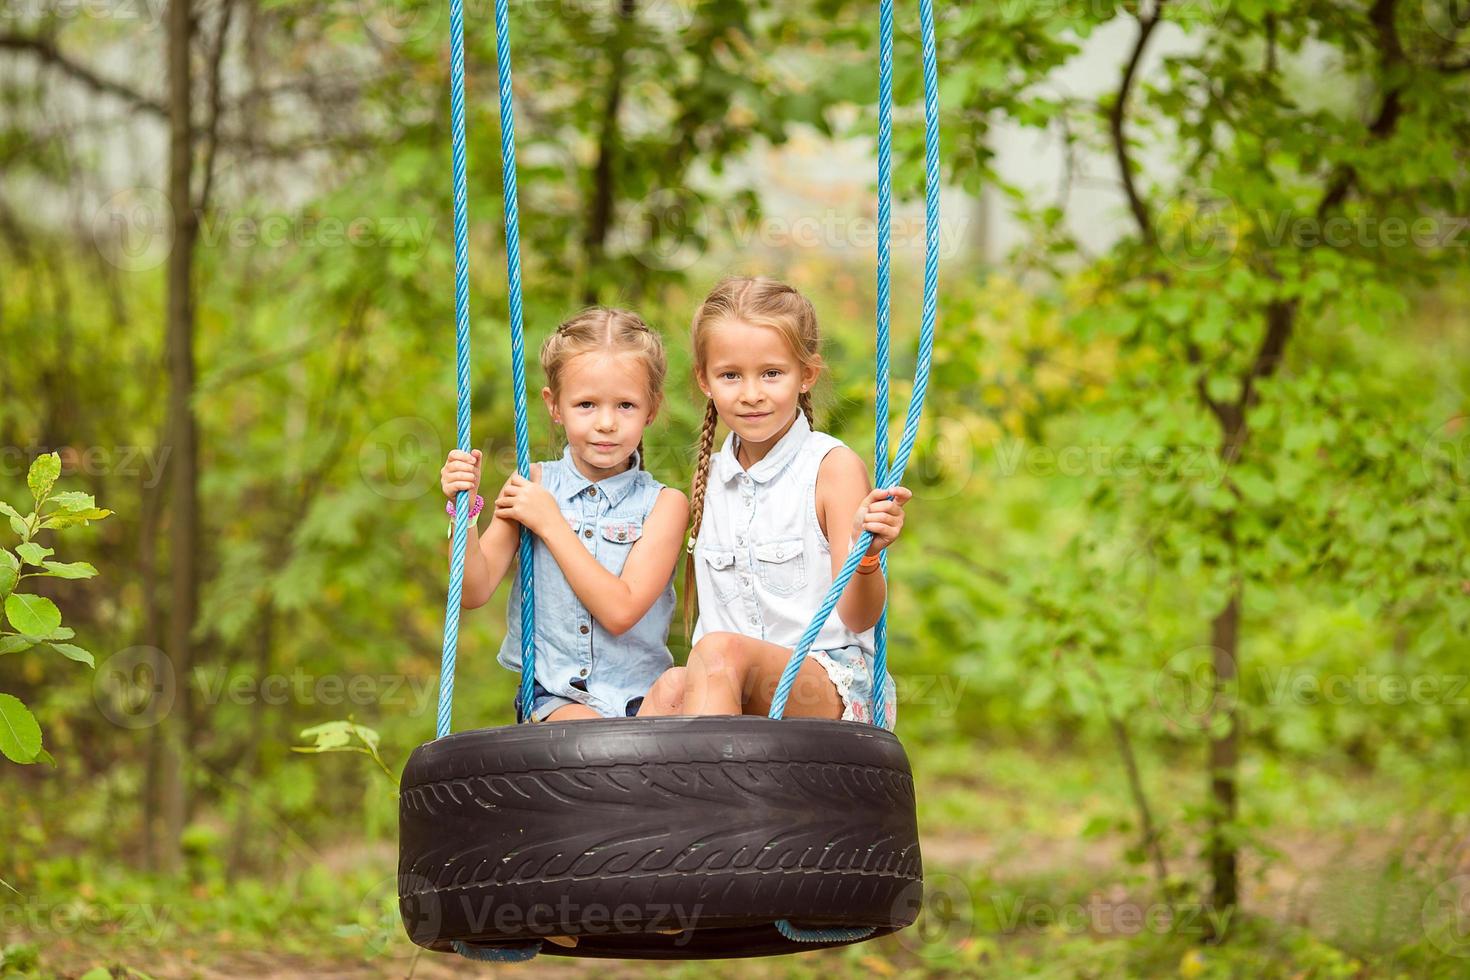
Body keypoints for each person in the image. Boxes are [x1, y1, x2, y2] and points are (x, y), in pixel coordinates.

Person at [643, 276, 910, 727]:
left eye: (771, 373)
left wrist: (865, 560)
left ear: (806, 375)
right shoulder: (710, 476)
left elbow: (860, 617)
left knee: (717, 651)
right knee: (671, 684)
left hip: (829, 683)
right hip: (729, 681)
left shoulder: (831, 468)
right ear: (704, 380)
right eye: (730, 375)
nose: (751, 394)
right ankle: (638, 798)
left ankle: (713, 796)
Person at [440, 307, 687, 722]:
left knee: (682, 685)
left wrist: (551, 524)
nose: (606, 423)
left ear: (652, 409)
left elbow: (620, 612)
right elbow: (472, 591)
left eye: (626, 405)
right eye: (586, 404)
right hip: (557, 698)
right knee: (593, 740)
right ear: (555, 406)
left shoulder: (665, 505)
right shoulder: (531, 483)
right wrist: (462, 510)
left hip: (641, 700)